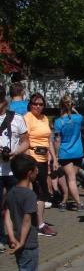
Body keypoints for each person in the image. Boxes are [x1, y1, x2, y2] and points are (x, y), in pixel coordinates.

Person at [5, 154, 47, 271]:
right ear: (30, 173)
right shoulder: (29, 195)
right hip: (27, 241)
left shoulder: (11, 192)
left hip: (16, 239)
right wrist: (22, 241)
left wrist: (12, 238)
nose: (37, 172)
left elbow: (7, 216)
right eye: (36, 169)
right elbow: (27, 220)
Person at [0, 87, 30, 250]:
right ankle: (1, 238)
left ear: (5, 101)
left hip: (13, 170)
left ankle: (18, 236)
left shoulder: (17, 118)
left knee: (16, 205)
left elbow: (26, 141)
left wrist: (15, 152)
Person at [23, 93, 57, 237]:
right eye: (35, 104)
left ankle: (39, 223)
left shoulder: (44, 119)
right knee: (35, 192)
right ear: (30, 105)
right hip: (33, 158)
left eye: (41, 104)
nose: (38, 106)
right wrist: (31, 162)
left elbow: (48, 141)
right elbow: (25, 141)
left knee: (42, 192)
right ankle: (37, 224)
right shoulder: (27, 118)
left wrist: (54, 158)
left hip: (44, 159)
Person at [52, 95, 84, 211]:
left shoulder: (58, 122)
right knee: (71, 178)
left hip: (65, 153)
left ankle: (79, 203)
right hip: (78, 152)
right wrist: (75, 111)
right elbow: (83, 122)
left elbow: (57, 140)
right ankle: (64, 201)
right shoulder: (79, 118)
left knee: (71, 179)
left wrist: (56, 155)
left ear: (60, 106)